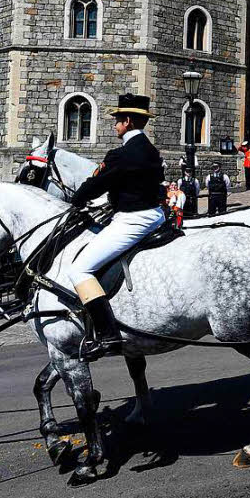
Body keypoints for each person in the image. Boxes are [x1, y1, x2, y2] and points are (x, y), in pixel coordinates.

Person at [69, 93, 166, 361]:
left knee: (79, 270)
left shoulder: (121, 154)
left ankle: (108, 335)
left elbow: (95, 185)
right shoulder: (150, 150)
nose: (114, 126)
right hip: (154, 214)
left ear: (127, 121)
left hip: (133, 218)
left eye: (117, 121)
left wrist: (76, 200)